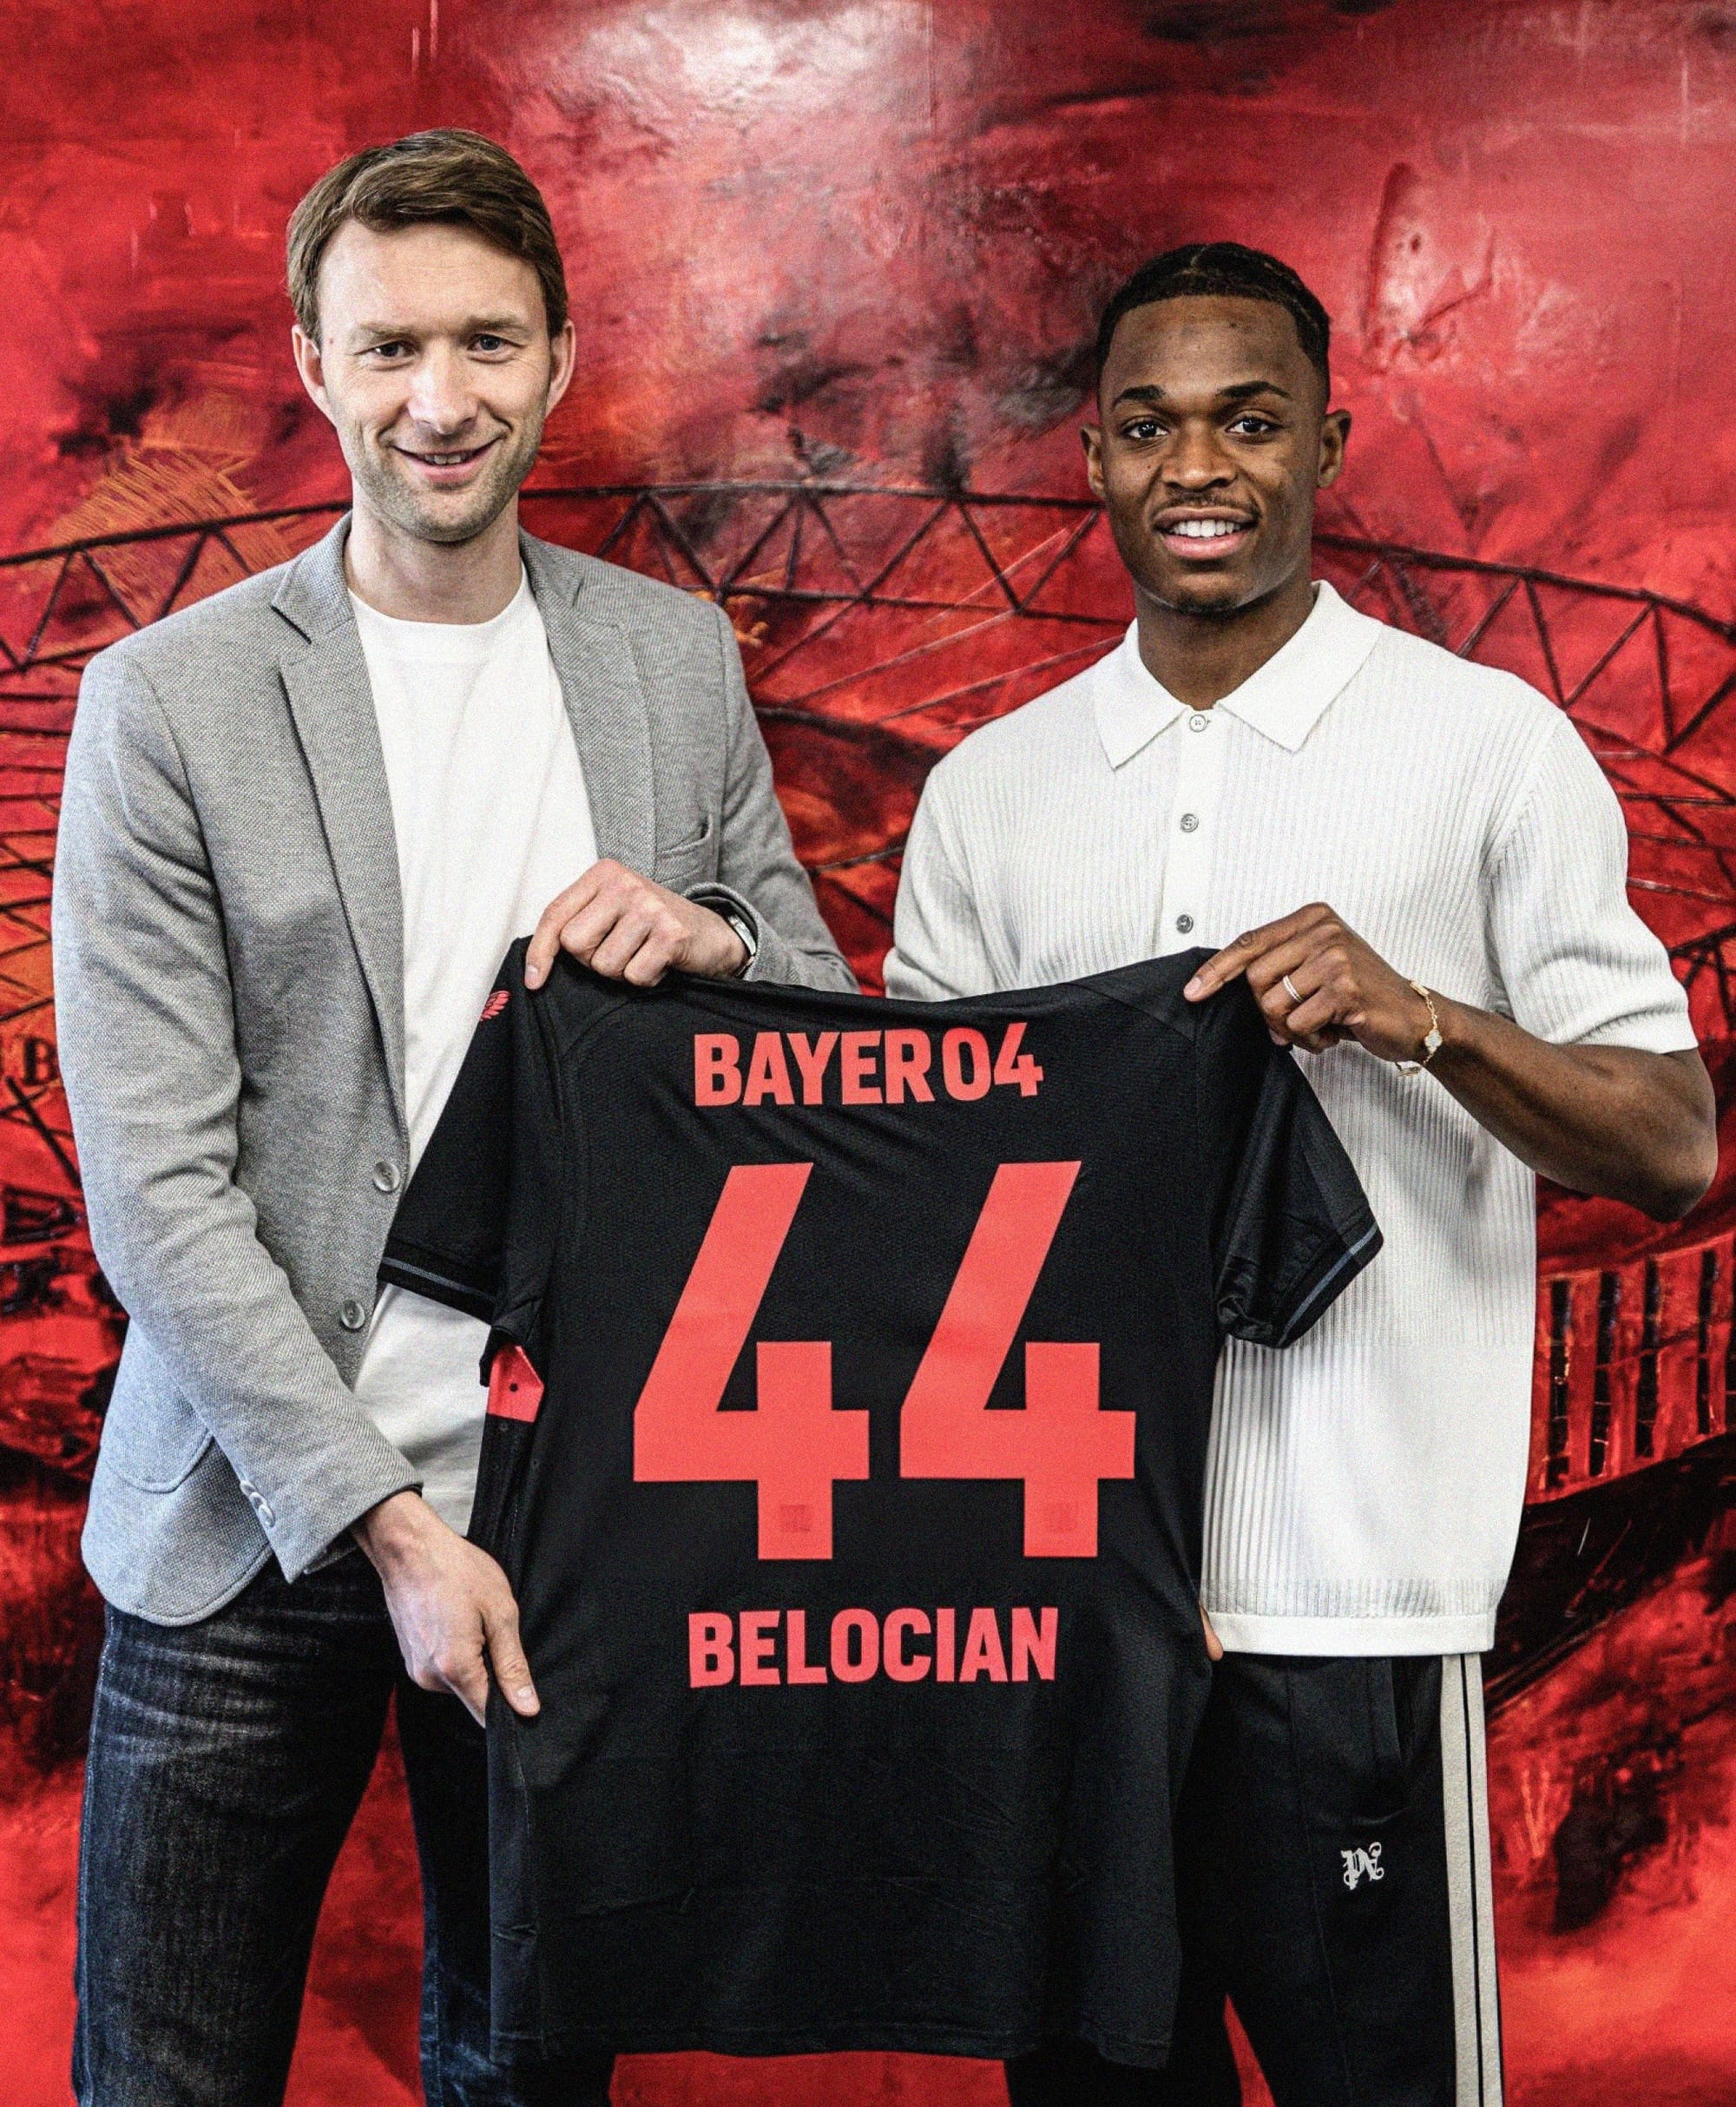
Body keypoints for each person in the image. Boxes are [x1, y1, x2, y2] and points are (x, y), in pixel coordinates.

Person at [53, 128, 852, 2107]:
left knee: (527, 2068)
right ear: (315, 364)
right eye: (390, 345)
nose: (440, 399)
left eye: (486, 342)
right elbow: (154, 1190)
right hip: (253, 1507)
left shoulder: (670, 663)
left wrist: (721, 930)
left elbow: (835, 1030)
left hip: (575, 1499)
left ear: (559, 359)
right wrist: (386, 1523)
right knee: (165, 2074)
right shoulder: (171, 702)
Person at [884, 242, 1717, 2107]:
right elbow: (915, 1195)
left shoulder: (1482, 745)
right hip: (1070, 1619)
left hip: (1353, 1602)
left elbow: (1673, 1142)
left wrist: (1424, 1018)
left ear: (1327, 441)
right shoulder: (991, 793)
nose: (1200, 465)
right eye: (1149, 424)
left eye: (1249, 420)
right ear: (1089, 457)